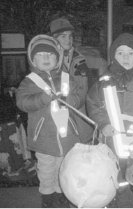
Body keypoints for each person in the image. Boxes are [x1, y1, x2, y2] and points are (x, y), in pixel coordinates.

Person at [86, 33, 133, 208]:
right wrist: (103, 123)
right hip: (113, 137)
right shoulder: (104, 81)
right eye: (120, 53)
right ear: (113, 56)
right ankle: (111, 195)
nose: (125, 58)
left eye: (130, 53)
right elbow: (93, 103)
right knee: (112, 168)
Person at [16, 34, 82, 207]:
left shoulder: (67, 78)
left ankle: (62, 194)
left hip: (67, 137)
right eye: (40, 55)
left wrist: (69, 101)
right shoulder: (29, 81)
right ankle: (47, 196)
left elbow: (78, 96)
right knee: (46, 169)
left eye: (50, 54)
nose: (46, 57)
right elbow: (22, 102)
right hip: (44, 138)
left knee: (64, 168)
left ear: (58, 58)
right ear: (33, 59)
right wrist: (42, 99)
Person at [50, 17, 94, 144]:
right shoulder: (48, 61)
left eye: (70, 36)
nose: (68, 40)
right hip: (57, 120)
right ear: (54, 38)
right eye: (63, 36)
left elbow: (86, 89)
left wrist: (72, 102)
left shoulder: (79, 60)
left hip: (80, 116)